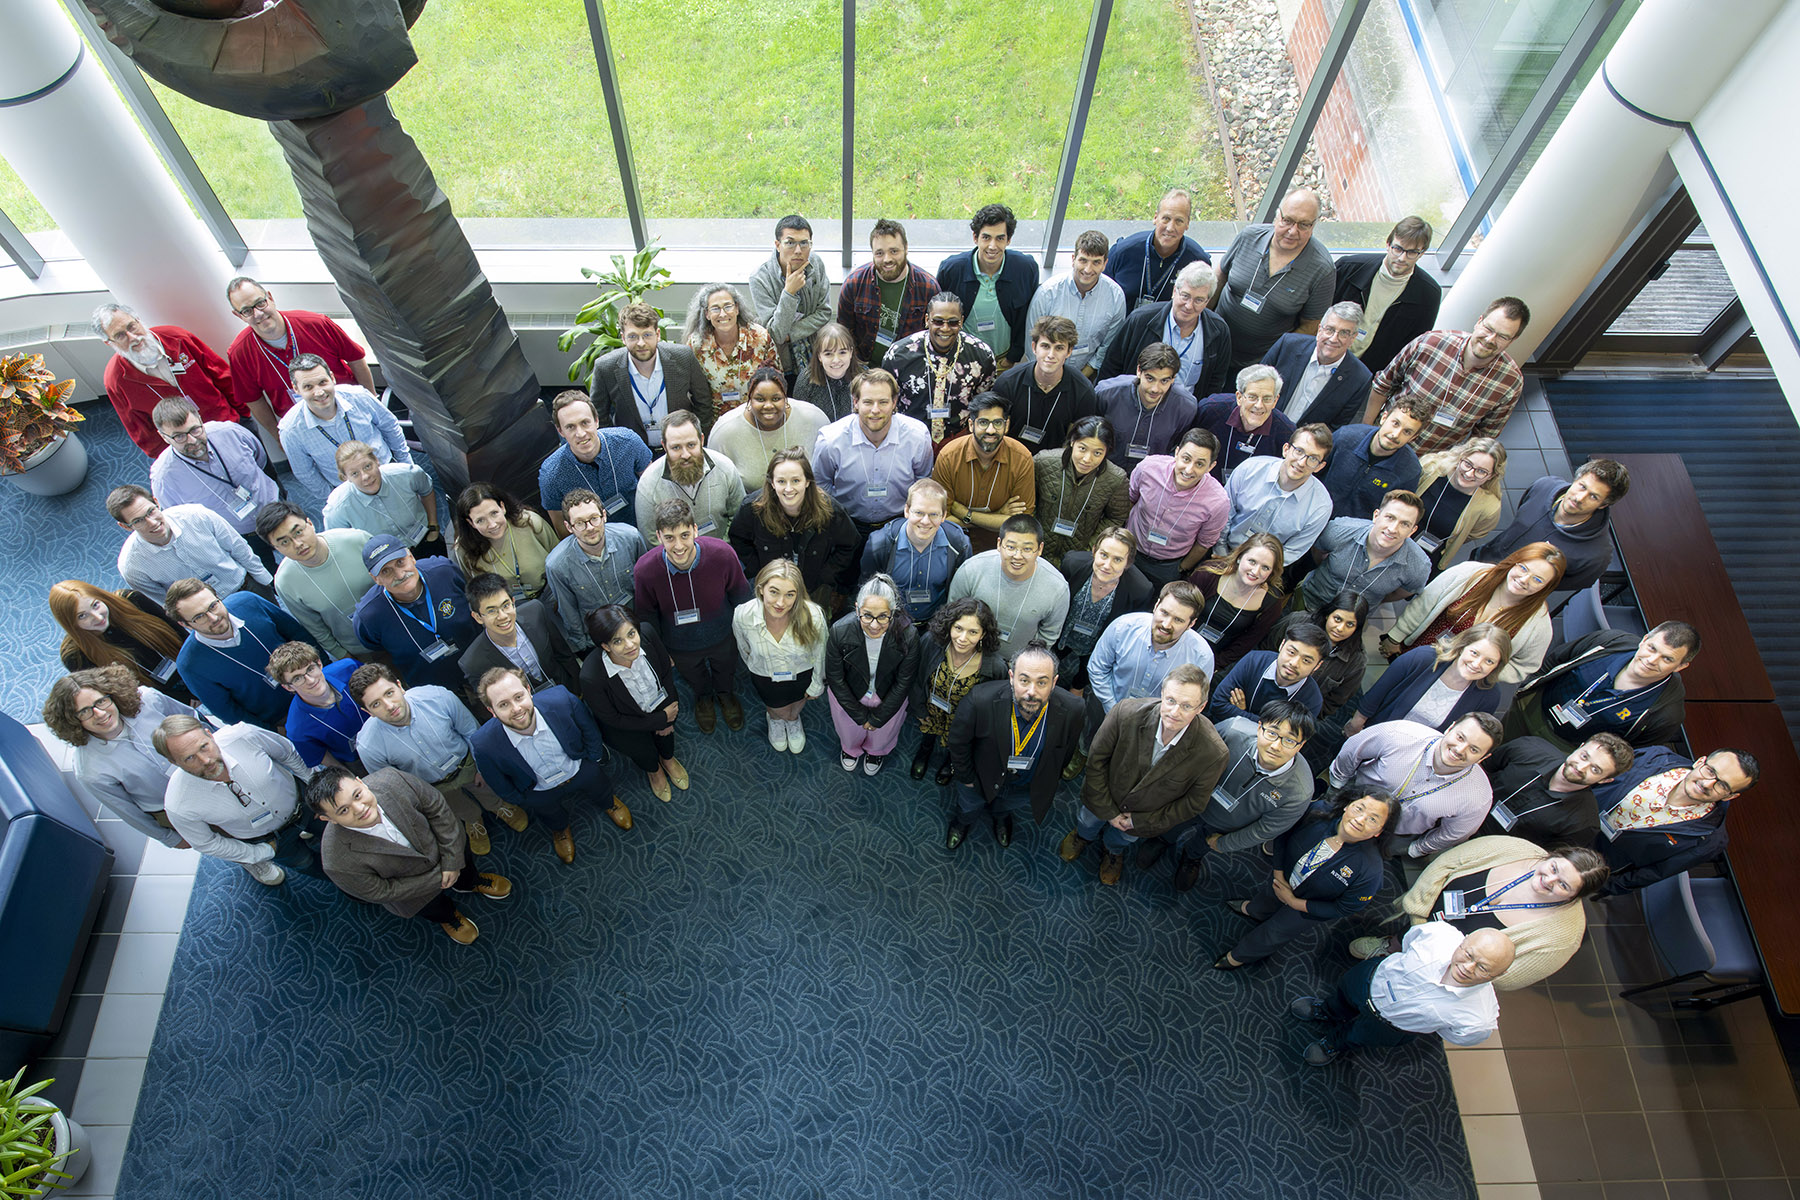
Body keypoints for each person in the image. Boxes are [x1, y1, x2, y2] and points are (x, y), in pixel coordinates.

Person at [1351, 838, 1610, 989]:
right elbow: (1447, 863)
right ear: (1551, 857)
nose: (1549, 880)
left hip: (1448, 967)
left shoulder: (1562, 937)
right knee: (1404, 937)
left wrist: (1449, 966)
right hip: (1424, 919)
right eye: (1553, 868)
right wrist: (1418, 919)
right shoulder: (1515, 849)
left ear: (1573, 897)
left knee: (1398, 986)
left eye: (1563, 885)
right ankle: (1390, 947)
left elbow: (1508, 977)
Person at [1059, 664, 1227, 886]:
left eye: (1187, 706)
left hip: (1145, 818)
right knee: (1087, 821)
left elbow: (1192, 804)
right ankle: (1083, 836)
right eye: (1171, 701)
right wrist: (1109, 811)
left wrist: (1139, 821)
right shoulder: (1125, 713)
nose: (1175, 713)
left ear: (1201, 707)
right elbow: (1097, 761)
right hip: (1102, 796)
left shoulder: (1213, 753)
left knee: (1121, 839)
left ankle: (1113, 851)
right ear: (1162, 694)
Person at [309, 765, 511, 945]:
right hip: (412, 892)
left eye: (357, 795)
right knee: (435, 908)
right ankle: (449, 917)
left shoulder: (393, 779)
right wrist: (441, 876)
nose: (360, 809)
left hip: (446, 849)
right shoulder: (335, 860)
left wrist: (452, 861)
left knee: (466, 869)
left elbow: (437, 808)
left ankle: (470, 882)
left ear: (360, 782)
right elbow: (381, 892)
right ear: (328, 819)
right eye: (344, 810)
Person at [350, 662, 529, 856]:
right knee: (459, 807)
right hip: (431, 785)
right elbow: (394, 784)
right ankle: (473, 821)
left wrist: (482, 767)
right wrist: (427, 799)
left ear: (400, 686)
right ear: (368, 712)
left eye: (389, 693)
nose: (389, 705)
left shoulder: (437, 697)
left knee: (486, 790)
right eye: (376, 704)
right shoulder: (369, 746)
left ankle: (498, 806)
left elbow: (471, 731)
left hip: (466, 763)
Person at [1214, 787, 1396, 969]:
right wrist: (1278, 873)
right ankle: (1254, 910)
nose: (1360, 819)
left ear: (1379, 832)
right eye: (1359, 808)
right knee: (1268, 896)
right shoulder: (1317, 811)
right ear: (1347, 806)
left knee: (1275, 932)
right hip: (1283, 876)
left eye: (1373, 819)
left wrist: (1293, 902)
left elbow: (1343, 908)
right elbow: (1283, 835)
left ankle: (1240, 956)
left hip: (1308, 908)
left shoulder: (1371, 872)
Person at [469, 668, 632, 865]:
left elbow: (589, 730)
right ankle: (560, 829)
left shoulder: (562, 700)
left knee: (600, 786)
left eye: (519, 697)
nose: (516, 709)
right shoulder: (483, 744)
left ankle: (609, 803)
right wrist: (525, 799)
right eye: (503, 704)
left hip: (579, 768)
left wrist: (593, 758)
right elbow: (498, 782)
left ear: (529, 690)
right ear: (492, 711)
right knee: (550, 813)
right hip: (538, 790)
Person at [1293, 924, 1510, 1066]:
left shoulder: (1479, 1019)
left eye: (1482, 968)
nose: (1468, 968)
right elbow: (1408, 942)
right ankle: (1326, 1010)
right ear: (1464, 940)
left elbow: (1455, 1035)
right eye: (1468, 954)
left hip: (1391, 1026)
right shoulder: (1440, 935)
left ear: (1500, 975)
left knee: (1356, 1036)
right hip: (1370, 979)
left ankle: (1332, 1044)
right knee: (1342, 996)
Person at [1163, 700, 1317, 892]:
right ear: (1259, 727)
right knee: (1170, 826)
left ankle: (1191, 857)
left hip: (1226, 826)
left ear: (1300, 745)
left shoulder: (1299, 791)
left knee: (1201, 845)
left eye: (1289, 740)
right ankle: (1161, 841)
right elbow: (1194, 755)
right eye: (1272, 733)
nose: (1276, 746)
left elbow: (1264, 830)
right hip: (1194, 800)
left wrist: (1224, 844)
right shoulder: (1233, 730)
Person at [944, 641, 1083, 851]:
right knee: (968, 807)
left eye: (1042, 682)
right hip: (980, 779)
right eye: (1024, 680)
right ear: (1011, 677)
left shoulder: (1074, 709)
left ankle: (1001, 817)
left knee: (1004, 807)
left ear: (1054, 683)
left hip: (1024, 786)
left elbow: (1064, 752)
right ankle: (962, 822)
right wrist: (967, 778)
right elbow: (958, 744)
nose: (1031, 692)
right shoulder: (980, 700)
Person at [155, 714, 323, 885]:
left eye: (204, 746)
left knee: (336, 839)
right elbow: (206, 843)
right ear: (173, 762)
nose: (205, 760)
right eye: (189, 758)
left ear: (209, 734)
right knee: (306, 864)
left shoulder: (243, 735)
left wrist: (318, 790)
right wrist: (258, 854)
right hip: (270, 841)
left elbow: (288, 753)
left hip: (305, 804)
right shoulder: (178, 804)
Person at [632, 498, 753, 734]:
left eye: (684, 535)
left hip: (723, 635)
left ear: (695, 530)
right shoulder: (645, 570)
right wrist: (660, 652)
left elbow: (741, 596)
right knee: (695, 678)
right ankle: (704, 699)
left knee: (726, 671)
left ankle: (726, 695)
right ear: (658, 536)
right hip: (679, 645)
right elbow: (646, 617)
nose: (678, 546)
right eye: (669, 538)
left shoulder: (723, 554)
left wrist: (746, 634)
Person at [43, 666, 197, 848]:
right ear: (73, 720)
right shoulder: (90, 771)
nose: (100, 714)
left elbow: (193, 718)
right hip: (174, 808)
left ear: (111, 694)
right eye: (85, 712)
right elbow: (128, 811)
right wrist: (170, 838)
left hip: (203, 769)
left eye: (101, 701)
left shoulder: (147, 699)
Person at [1074, 582, 1214, 780]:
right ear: (1156, 606)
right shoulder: (1124, 626)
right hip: (1106, 702)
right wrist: (1111, 707)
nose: (1166, 624)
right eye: (1164, 612)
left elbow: (1193, 700)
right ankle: (1083, 752)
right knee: (1091, 733)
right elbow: (1097, 667)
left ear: (1191, 624)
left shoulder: (1201, 657)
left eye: (1178, 619)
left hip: (1156, 721)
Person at [1363, 297, 1530, 455]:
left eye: (1502, 336)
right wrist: (1365, 430)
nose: (1490, 339)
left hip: (1428, 460)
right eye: (1489, 328)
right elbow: (1383, 384)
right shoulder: (1430, 343)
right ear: (1479, 321)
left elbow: (1484, 436)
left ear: (1512, 340)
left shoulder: (1510, 383)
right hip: (1381, 438)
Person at [93, 302, 260, 457]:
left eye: (132, 327)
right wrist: (176, 456)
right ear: (109, 343)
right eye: (121, 335)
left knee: (262, 469)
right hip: (188, 448)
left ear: (138, 320)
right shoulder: (116, 381)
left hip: (228, 424)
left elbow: (222, 376)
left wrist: (243, 415)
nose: (133, 337)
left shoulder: (177, 338)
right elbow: (141, 431)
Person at [1382, 544, 1566, 683]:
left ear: (1545, 588)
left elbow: (1525, 665)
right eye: (1523, 568)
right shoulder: (1471, 574)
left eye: (1537, 580)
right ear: (1514, 562)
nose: (1524, 580)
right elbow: (1424, 603)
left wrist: (1487, 672)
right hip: (1418, 653)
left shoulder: (1538, 624)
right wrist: (1395, 637)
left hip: (1460, 680)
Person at [1329, 714, 1501, 860]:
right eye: (1460, 737)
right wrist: (1336, 787)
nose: (1459, 749)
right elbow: (1353, 750)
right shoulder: (1400, 734)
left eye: (1474, 749)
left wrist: (1415, 849)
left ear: (1483, 758)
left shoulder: (1478, 797)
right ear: (1450, 728)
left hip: (1395, 836)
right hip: (1352, 802)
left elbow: (1454, 834)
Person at [1590, 745, 1757, 893]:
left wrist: (1598, 884)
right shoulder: (1656, 757)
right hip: (1568, 822)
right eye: (1710, 771)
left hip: (1588, 864)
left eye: (1723, 785)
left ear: (1730, 796)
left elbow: (1653, 873)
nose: (1707, 784)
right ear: (1700, 762)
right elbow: (1598, 776)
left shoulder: (1709, 841)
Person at [1506, 622, 1698, 751]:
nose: (1651, 660)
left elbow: (1631, 752)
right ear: (1644, 640)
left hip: (1564, 751)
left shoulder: (1667, 713)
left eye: (1667, 659)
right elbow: (1557, 659)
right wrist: (1526, 688)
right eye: (1652, 648)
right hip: (1527, 710)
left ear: (1681, 666)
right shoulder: (1608, 642)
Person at [165, 578, 317, 729]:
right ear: (185, 625)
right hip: (283, 719)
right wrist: (273, 732)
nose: (213, 617)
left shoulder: (248, 602)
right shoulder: (190, 665)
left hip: (316, 683)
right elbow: (228, 712)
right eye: (199, 617)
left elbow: (299, 635)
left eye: (213, 606)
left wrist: (327, 672)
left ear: (218, 598)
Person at [1212, 188, 1336, 371]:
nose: (1293, 231)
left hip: (1259, 364)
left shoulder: (1322, 269)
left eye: (1303, 225)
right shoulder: (1249, 237)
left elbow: (1311, 326)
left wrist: (1274, 359)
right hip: (1213, 342)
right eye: (1288, 221)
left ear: (1314, 225)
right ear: (1277, 216)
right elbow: (1219, 278)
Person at [578, 607, 690, 803]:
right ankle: (654, 772)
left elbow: (665, 673)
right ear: (605, 646)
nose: (630, 645)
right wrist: (660, 720)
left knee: (666, 738)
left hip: (660, 706)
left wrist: (667, 718)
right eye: (617, 641)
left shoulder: (647, 633)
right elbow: (613, 719)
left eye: (631, 633)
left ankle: (668, 759)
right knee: (643, 752)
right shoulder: (591, 676)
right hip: (625, 725)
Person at [811, 367, 937, 539]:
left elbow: (922, 481)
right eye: (868, 402)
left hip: (900, 525)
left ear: (894, 402)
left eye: (883, 402)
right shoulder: (830, 440)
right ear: (855, 402)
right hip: (848, 525)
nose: (875, 410)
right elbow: (820, 485)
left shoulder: (917, 436)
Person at [224, 276, 375, 419]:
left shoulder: (316, 324)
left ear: (270, 297)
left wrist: (373, 404)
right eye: (247, 311)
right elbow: (254, 401)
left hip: (351, 409)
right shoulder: (239, 353)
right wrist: (278, 437)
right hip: (302, 427)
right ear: (239, 315)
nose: (258, 314)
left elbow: (356, 360)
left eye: (260, 303)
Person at [1471, 459, 1630, 592]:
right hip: (1482, 561)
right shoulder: (1543, 486)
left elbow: (1575, 582)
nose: (1580, 498)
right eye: (1582, 486)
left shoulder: (1596, 554)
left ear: (1603, 505)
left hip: (1515, 592)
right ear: (1576, 479)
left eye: (1593, 496)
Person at [352, 537, 480, 693]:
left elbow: (473, 601)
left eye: (400, 562)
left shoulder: (444, 571)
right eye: (386, 571)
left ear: (411, 557)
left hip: (479, 667)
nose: (399, 575)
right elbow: (378, 651)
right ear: (376, 579)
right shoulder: (369, 616)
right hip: (432, 688)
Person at [277, 354, 412, 502]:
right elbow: (305, 473)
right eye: (308, 387)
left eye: (323, 382)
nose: (319, 392)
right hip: (348, 490)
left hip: (386, 470)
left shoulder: (358, 396)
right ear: (296, 389)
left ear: (332, 379)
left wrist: (406, 466)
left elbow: (390, 426)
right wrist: (335, 499)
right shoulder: (290, 430)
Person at [729, 449, 858, 602]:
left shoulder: (830, 511)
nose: (788, 489)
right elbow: (738, 540)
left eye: (796, 481)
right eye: (781, 481)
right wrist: (759, 571)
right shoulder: (752, 509)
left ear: (807, 481)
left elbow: (850, 544)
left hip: (813, 591)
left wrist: (826, 576)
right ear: (772, 483)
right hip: (770, 591)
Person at [824, 574, 920, 775]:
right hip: (850, 692)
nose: (874, 625)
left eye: (883, 616)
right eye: (867, 615)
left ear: (893, 612)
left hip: (887, 694)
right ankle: (850, 749)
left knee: (884, 731)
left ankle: (877, 751)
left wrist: (878, 718)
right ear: (857, 608)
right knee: (848, 728)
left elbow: (904, 683)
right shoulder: (839, 631)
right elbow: (836, 678)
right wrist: (860, 715)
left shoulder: (909, 636)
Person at [147, 397, 280, 543]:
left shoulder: (230, 432)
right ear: (164, 437)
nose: (192, 440)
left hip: (274, 508)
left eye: (195, 430)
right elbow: (179, 517)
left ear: (200, 419)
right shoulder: (164, 477)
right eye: (179, 436)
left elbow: (259, 458)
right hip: (235, 536)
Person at [733, 559, 830, 755]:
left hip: (802, 673)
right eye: (774, 592)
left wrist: (817, 683)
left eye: (789, 595)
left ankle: (794, 720)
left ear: (798, 595)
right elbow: (744, 649)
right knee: (777, 709)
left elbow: (821, 653)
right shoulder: (743, 615)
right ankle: (776, 720)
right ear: (761, 589)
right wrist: (756, 664)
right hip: (765, 675)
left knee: (795, 707)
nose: (780, 603)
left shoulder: (814, 615)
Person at [111, 486, 274, 601]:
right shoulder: (132, 567)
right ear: (125, 526)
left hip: (246, 586)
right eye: (139, 521)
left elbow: (239, 548)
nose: (152, 523)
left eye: (151, 511)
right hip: (209, 614)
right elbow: (165, 602)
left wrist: (267, 584)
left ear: (156, 502)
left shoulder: (196, 515)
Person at [256, 501, 375, 658]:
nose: (298, 544)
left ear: (310, 523)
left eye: (298, 532)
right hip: (361, 649)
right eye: (284, 542)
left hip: (399, 624)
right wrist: (345, 657)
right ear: (276, 549)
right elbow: (316, 628)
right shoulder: (285, 582)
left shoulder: (356, 539)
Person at [1099, 261, 1232, 400]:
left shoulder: (1219, 331)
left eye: (1198, 300)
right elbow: (1111, 367)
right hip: (1134, 405)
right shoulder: (1140, 321)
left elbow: (1216, 382)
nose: (1189, 306)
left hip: (1184, 413)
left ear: (1208, 301)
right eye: (1185, 296)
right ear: (1175, 291)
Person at [589, 302, 715, 448]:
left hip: (680, 449)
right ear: (623, 338)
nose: (641, 343)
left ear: (658, 334)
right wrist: (618, 450)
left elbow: (704, 402)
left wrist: (695, 441)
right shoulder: (606, 368)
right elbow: (598, 416)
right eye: (633, 337)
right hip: (633, 453)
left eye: (647, 335)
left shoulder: (683, 357)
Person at [1346, 625, 1512, 733]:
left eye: (1489, 661)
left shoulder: (1489, 695)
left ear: (1496, 666)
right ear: (1462, 647)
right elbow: (1378, 692)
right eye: (1474, 653)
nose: (1477, 664)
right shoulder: (1423, 658)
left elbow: (1469, 733)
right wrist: (1356, 724)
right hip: (1379, 732)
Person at [909, 597, 1005, 784]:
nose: (962, 638)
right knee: (929, 732)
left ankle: (951, 762)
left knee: (958, 745)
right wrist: (919, 709)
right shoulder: (931, 642)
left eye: (973, 632)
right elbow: (917, 678)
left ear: (983, 634)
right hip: (932, 707)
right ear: (950, 626)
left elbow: (993, 708)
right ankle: (925, 750)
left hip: (963, 720)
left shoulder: (995, 667)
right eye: (958, 628)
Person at [1331, 216, 1443, 374]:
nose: (1402, 258)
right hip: (1325, 351)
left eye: (1411, 252)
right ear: (1388, 244)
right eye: (1398, 248)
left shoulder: (1428, 294)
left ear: (1422, 253)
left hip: (1367, 372)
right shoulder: (1349, 268)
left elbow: (1412, 347)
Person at [1475, 734, 1635, 845]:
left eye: (1595, 770)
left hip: (1489, 854)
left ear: (1605, 780)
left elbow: (1542, 858)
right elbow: (1481, 769)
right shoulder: (1529, 748)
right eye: (1584, 756)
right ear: (1580, 747)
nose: (1581, 767)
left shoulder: (1583, 823)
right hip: (1461, 813)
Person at [51, 579, 194, 703]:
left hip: (191, 669)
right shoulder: (76, 656)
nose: (98, 617)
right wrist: (183, 700)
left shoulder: (132, 600)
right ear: (71, 623)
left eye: (95, 605)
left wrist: (200, 679)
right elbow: (118, 695)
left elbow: (181, 635)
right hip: (160, 698)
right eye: (82, 616)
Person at [936, 203, 1041, 367]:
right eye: (986, 237)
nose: (993, 246)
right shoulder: (951, 270)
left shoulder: (1026, 269)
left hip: (1004, 361)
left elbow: (1028, 317)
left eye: (1000, 238)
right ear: (975, 238)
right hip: (962, 359)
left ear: (1009, 240)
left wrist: (1012, 358)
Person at [945, 515, 1071, 651]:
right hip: (970, 654)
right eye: (1010, 547)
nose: (1017, 556)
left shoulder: (1058, 588)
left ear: (1040, 549)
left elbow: (1049, 634)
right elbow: (952, 615)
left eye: (1027, 549)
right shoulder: (972, 569)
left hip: (1018, 663)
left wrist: (1025, 663)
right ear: (999, 544)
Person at [545, 487, 648, 654]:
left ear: (604, 516)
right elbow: (569, 612)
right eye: (580, 523)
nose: (590, 527)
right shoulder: (557, 565)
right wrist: (584, 648)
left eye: (594, 518)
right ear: (569, 527)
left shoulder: (631, 538)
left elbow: (647, 585)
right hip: (599, 639)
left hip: (637, 627)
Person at [885, 293, 997, 444]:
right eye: (938, 321)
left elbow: (983, 405)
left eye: (952, 322)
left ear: (961, 322)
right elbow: (889, 402)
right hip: (909, 437)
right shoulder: (898, 355)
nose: (945, 328)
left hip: (959, 438)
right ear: (927, 320)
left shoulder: (982, 355)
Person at [932, 392, 1036, 554]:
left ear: (1006, 426)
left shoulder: (1021, 458)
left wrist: (965, 514)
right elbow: (940, 518)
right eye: (983, 422)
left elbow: (1019, 523)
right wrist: (998, 516)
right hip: (951, 545)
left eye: (997, 423)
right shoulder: (949, 456)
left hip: (999, 549)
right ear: (971, 425)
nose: (991, 430)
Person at [537, 389, 654, 533]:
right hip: (593, 542)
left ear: (596, 420)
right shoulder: (551, 475)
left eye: (585, 422)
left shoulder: (628, 442)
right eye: (570, 427)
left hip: (642, 528)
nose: (580, 433)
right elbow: (562, 529)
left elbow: (653, 488)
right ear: (561, 431)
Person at [1295, 491, 1431, 613]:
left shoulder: (1418, 565)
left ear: (1412, 531)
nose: (1393, 529)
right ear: (1376, 516)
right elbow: (1318, 552)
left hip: (1352, 623)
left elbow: (1403, 592)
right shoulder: (1339, 529)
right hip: (1310, 603)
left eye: (1405, 524)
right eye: (1390, 517)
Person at [1125, 429, 1229, 586]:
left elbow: (1204, 543)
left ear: (1211, 466)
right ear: (1177, 453)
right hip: (1130, 549)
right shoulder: (1148, 468)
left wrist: (1181, 567)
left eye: (1199, 464)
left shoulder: (1218, 501)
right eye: (1186, 459)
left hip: (1168, 566)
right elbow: (1130, 500)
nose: (1189, 469)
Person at [859, 478, 971, 624]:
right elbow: (867, 592)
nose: (925, 521)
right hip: (892, 624)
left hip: (936, 624)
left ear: (944, 515)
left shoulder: (959, 544)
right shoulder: (880, 544)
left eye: (933, 514)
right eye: (919, 512)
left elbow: (962, 595)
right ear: (906, 510)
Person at [705, 367, 831, 495]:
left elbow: (829, 473)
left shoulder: (814, 419)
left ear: (786, 398)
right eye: (760, 399)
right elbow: (718, 485)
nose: (768, 406)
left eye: (776, 398)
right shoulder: (724, 433)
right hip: (753, 509)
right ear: (749, 400)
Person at [1219, 425, 1334, 561]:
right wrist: (1221, 555)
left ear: (1320, 466)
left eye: (1313, 458)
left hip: (1262, 570)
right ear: (1286, 449)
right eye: (1299, 451)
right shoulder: (1249, 469)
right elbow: (1222, 516)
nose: (1302, 462)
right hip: (1221, 551)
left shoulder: (1320, 507)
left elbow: (1291, 551)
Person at [1055, 527, 1154, 688]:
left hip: (1098, 645)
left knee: (1081, 681)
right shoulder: (1072, 564)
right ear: (1094, 551)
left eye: (1117, 560)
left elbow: (1127, 634)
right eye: (1104, 555)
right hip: (1063, 635)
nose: (1107, 565)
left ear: (1128, 562)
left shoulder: (1140, 591)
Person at [633, 410, 748, 545]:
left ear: (701, 440)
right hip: (675, 560)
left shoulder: (725, 468)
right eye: (676, 447)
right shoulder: (649, 484)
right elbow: (651, 539)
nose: (685, 454)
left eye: (691, 445)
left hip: (723, 553)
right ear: (664, 446)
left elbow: (739, 518)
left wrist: (720, 550)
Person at [836, 218, 939, 366]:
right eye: (879, 253)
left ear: (906, 248)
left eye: (894, 251)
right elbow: (843, 333)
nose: (887, 259)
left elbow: (934, 338)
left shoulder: (928, 288)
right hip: (864, 369)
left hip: (907, 370)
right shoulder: (854, 284)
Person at [459, 572, 580, 698]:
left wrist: (578, 692)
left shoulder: (535, 612)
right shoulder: (473, 663)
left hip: (567, 692)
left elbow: (565, 655)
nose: (503, 616)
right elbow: (490, 701)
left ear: (513, 602)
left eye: (506, 605)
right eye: (491, 611)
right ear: (478, 617)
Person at [990, 316, 1100, 454]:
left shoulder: (1083, 391)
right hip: (1010, 457)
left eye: (1059, 348)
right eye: (1045, 346)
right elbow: (996, 432)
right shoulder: (1008, 382)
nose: (1051, 355)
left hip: (1055, 464)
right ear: (1034, 347)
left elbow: (1075, 441)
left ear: (1069, 351)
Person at [1022, 232, 1126, 377]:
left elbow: (1108, 345)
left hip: (1087, 375)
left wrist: (1080, 379)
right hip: (1045, 373)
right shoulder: (1047, 293)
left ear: (1105, 264)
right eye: (1083, 260)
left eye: (1096, 262)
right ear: (1073, 259)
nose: (1088, 269)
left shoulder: (1116, 297)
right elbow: (1032, 342)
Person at [324, 440, 444, 561]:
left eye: (367, 466)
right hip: (384, 560)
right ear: (345, 478)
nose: (365, 476)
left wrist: (433, 526)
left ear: (376, 461)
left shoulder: (406, 474)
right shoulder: (337, 509)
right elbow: (339, 545)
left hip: (425, 538)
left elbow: (426, 490)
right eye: (355, 474)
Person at [1317, 395, 1434, 520]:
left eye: (1407, 432)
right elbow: (1312, 473)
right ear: (1384, 417)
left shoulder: (1410, 471)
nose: (1396, 434)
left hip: (1354, 532)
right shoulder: (1345, 437)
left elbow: (1394, 515)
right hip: (1314, 512)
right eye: (1395, 423)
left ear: (1413, 438)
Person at [1260, 303, 1374, 429]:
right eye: (1330, 329)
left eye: (1344, 333)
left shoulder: (1360, 378)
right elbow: (1255, 383)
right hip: (1261, 425)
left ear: (1353, 338)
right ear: (1320, 329)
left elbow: (1335, 428)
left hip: (1303, 445)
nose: (1334, 339)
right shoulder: (1288, 345)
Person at [1186, 533, 1287, 672]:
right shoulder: (1208, 573)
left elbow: (1245, 643)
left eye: (1265, 567)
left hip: (1215, 662)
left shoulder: (1271, 603)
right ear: (1239, 557)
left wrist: (1212, 666)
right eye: (1252, 561)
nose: (1255, 571)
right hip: (1181, 640)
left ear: (1272, 572)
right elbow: (1180, 609)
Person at [747, 214, 833, 375]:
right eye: (790, 243)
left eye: (804, 243)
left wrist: (791, 334)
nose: (798, 251)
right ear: (778, 245)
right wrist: (789, 293)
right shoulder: (760, 278)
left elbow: (824, 312)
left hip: (815, 355)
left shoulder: (817, 264)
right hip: (782, 361)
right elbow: (776, 334)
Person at [1104, 189, 1212, 313]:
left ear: (1187, 224)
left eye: (1179, 221)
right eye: (1166, 218)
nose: (1170, 228)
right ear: (1155, 218)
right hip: (1122, 325)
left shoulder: (1197, 262)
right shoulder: (1123, 252)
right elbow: (1102, 292)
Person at [1092, 343, 1198, 467]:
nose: (1155, 389)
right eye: (1150, 378)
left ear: (1173, 379)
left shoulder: (1185, 407)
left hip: (1153, 478)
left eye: (1164, 381)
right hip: (1106, 472)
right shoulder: (1107, 394)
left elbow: (1177, 447)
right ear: (1138, 371)